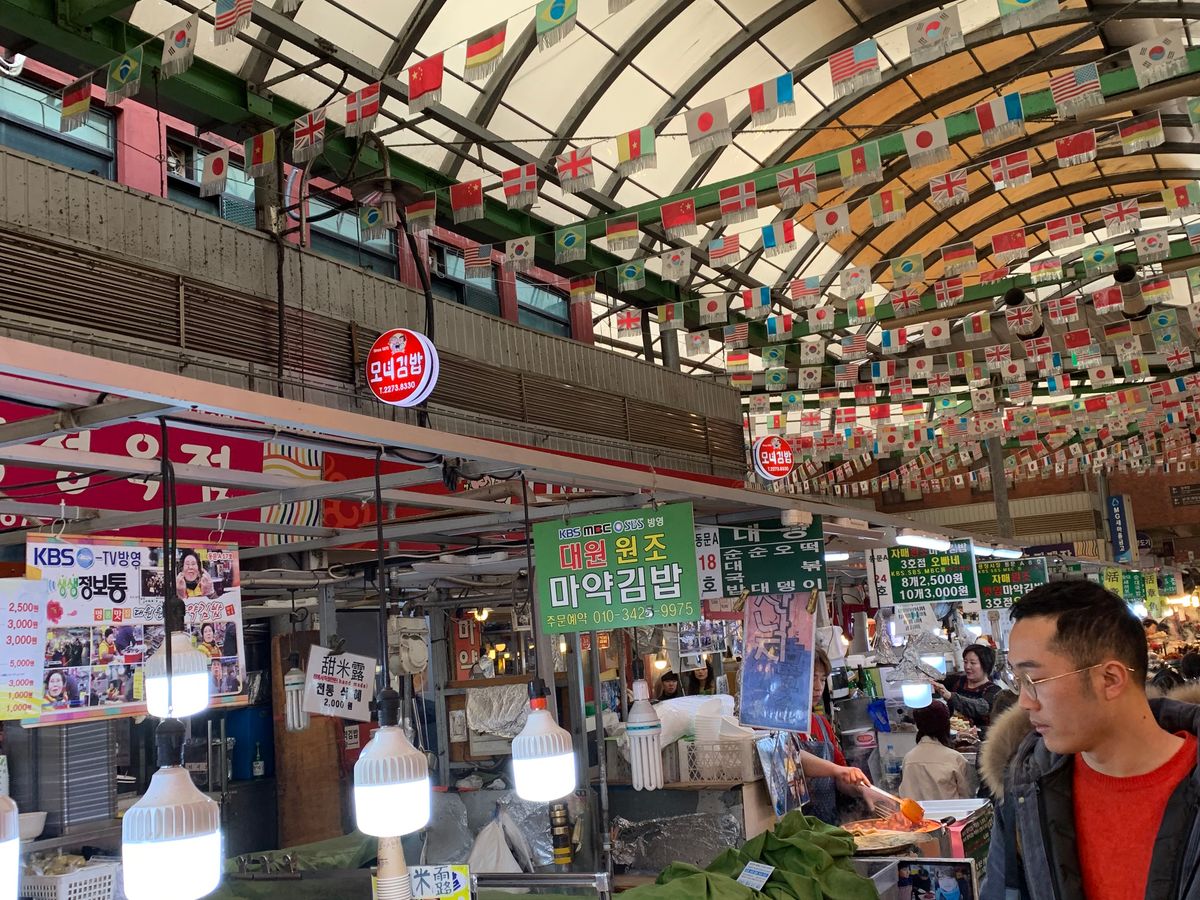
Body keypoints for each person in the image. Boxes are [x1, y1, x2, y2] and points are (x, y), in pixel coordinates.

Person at [980, 579, 1200, 900]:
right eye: (1018, 680)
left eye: (1034, 680)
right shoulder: (1027, 789)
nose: (1024, 702)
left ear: (1109, 679)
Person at [797, 648, 852, 823]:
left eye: (822, 679)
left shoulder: (822, 723)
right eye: (812, 678)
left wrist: (862, 789)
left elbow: (841, 776)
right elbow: (793, 757)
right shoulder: (777, 726)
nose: (818, 687)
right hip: (797, 826)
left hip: (828, 824)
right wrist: (839, 770)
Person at [898, 701, 973, 800]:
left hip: (915, 810)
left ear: (918, 725)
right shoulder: (956, 759)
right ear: (946, 725)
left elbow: (904, 796)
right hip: (950, 810)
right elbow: (967, 797)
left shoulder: (908, 758)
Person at [934, 643, 1002, 732]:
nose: (967, 666)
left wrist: (951, 696)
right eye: (965, 662)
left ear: (985, 665)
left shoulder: (994, 691)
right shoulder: (957, 680)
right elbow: (937, 680)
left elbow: (982, 707)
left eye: (973, 663)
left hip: (979, 737)